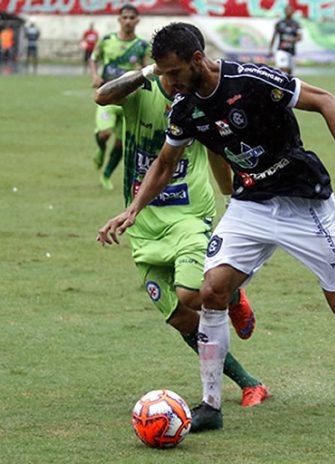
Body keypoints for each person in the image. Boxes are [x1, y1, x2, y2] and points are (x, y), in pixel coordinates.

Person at [97, 22, 335, 433]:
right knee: (211, 290)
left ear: (197, 60)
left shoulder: (250, 79)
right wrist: (134, 210)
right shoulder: (183, 109)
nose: (167, 81)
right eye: (161, 73)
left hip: (304, 201)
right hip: (251, 205)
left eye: (173, 72)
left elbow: (327, 101)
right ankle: (211, 405)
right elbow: (164, 163)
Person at [94, 24, 270, 408]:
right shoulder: (141, 92)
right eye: (167, 74)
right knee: (178, 317)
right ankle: (249, 382)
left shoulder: (197, 101)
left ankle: (231, 294)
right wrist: (146, 73)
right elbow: (102, 96)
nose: (175, 82)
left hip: (190, 213)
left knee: (191, 294)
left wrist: (231, 194)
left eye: (178, 73)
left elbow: (217, 150)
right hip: (142, 222)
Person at [89, 5, 148, 191]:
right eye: (125, 17)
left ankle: (106, 175)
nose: (128, 21)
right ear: (119, 20)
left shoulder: (142, 46)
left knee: (121, 143)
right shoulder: (107, 40)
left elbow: (148, 70)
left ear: (137, 20)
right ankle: (100, 148)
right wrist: (94, 76)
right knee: (105, 134)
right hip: (107, 95)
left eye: (132, 17)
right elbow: (93, 58)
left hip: (129, 99)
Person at [268, 5, 302, 75]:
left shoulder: (296, 24)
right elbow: (274, 36)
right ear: (284, 11)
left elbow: (300, 37)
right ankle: (281, 83)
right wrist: (270, 49)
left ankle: (289, 84)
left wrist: (292, 40)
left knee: (290, 72)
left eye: (290, 10)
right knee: (282, 67)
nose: (288, 12)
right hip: (281, 49)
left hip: (291, 51)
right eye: (287, 10)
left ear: (293, 12)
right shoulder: (279, 23)